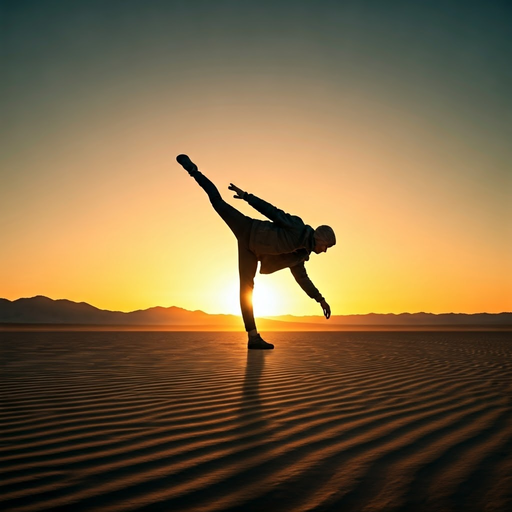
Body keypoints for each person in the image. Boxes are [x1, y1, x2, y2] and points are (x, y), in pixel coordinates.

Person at [177, 154, 336, 350]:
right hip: (247, 228)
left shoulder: (300, 256)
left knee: (246, 290)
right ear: (321, 238)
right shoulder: (297, 227)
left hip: (251, 253)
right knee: (218, 203)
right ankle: (194, 171)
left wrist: (320, 299)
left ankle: (253, 338)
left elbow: (303, 279)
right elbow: (273, 212)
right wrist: (246, 197)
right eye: (326, 246)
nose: (325, 251)